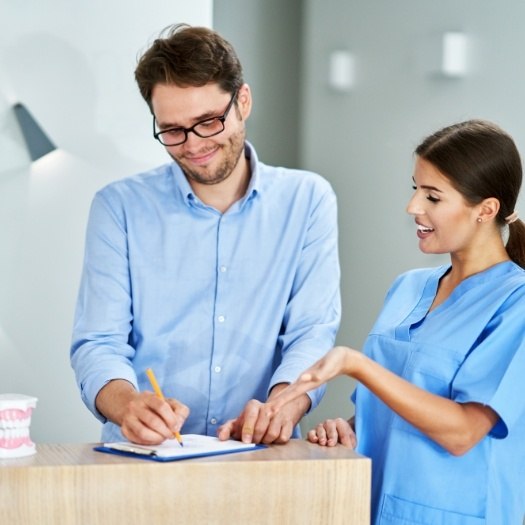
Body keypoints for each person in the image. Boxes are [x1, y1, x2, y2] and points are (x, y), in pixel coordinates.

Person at [70, 24, 340, 447]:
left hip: (260, 454)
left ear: (243, 102)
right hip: (146, 457)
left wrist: (281, 407)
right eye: (172, 130)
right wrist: (126, 405)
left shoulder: (307, 200)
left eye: (208, 122)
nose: (193, 145)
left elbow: (312, 332)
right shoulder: (118, 207)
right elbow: (98, 342)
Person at [267, 120, 525, 524]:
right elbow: (392, 408)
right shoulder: (408, 288)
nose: (413, 207)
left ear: (486, 210)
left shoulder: (516, 303)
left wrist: (357, 364)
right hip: (372, 509)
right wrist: (349, 428)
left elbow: (463, 433)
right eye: (415, 189)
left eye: (433, 197)